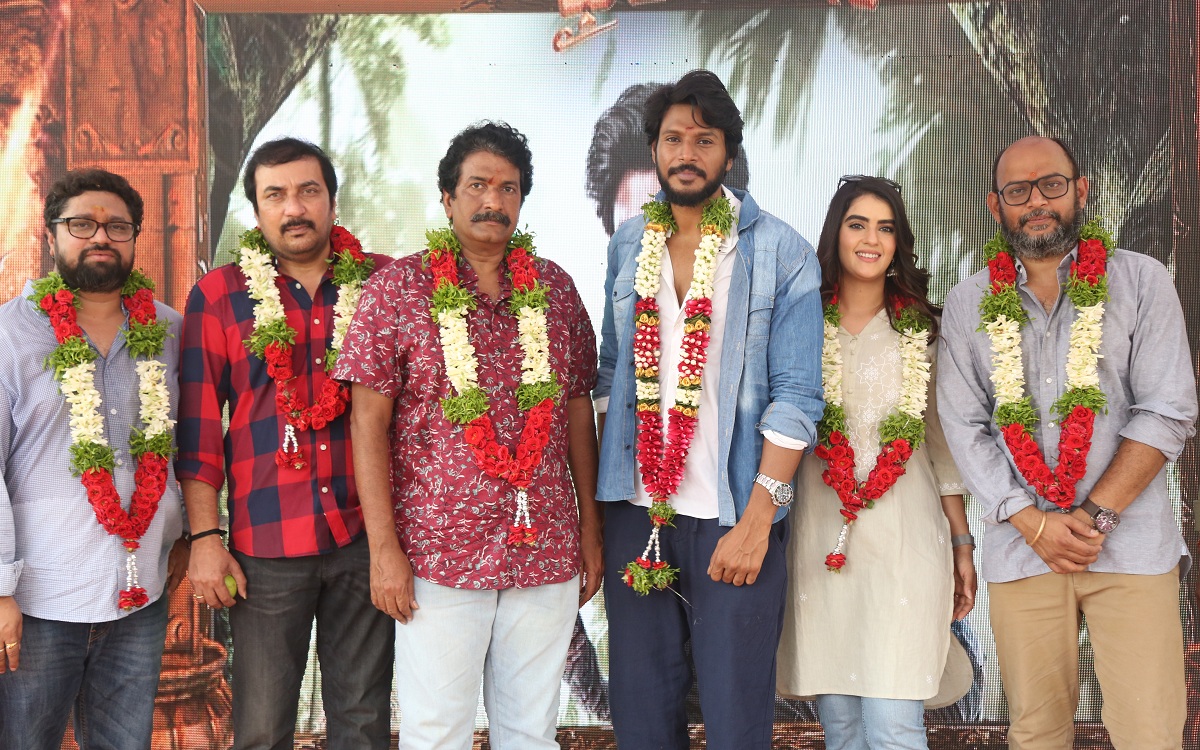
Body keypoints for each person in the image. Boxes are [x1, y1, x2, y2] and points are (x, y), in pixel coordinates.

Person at [333, 121, 601, 750]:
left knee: (531, 732)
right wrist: (383, 550)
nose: (493, 201)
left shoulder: (556, 291)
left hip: (544, 548)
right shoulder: (397, 291)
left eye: (508, 188)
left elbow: (576, 411)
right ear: (448, 198)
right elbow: (367, 425)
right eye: (478, 185)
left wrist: (589, 529)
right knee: (436, 732)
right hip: (438, 554)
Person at [938, 135, 1196, 748]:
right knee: (1035, 734)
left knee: (1149, 732)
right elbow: (964, 427)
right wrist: (1032, 523)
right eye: (1018, 190)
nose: (1037, 202)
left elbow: (1167, 412)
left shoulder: (1142, 281)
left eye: (1051, 184)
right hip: (1021, 553)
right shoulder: (968, 303)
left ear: (1080, 191)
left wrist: (1091, 519)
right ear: (995, 205)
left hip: (1130, 548)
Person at [594, 69, 824, 748]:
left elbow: (797, 398)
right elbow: (612, 371)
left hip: (734, 517)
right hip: (637, 514)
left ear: (728, 154)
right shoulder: (628, 243)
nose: (687, 153)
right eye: (673, 139)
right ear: (655, 150)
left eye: (704, 139)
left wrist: (758, 521)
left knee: (735, 723)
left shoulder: (781, 251)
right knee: (641, 723)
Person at [177, 138, 394, 749]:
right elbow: (198, 430)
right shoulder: (219, 295)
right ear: (257, 210)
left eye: (308, 191)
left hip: (366, 538)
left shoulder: (383, 283)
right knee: (263, 728)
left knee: (363, 722)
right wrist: (205, 539)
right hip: (265, 548)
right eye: (275, 195)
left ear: (332, 201)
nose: (293, 208)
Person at [775, 175, 975, 749]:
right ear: (835, 234)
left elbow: (941, 447)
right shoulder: (799, 323)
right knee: (841, 728)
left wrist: (962, 544)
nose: (871, 239)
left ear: (898, 242)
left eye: (885, 228)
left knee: (893, 727)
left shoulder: (924, 330)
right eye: (857, 224)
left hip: (907, 542)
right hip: (819, 544)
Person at [0, 168, 187, 749]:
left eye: (117, 226)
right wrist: (0, 590)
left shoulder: (169, 330)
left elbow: (184, 445)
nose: (101, 237)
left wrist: (183, 532)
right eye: (82, 224)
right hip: (38, 602)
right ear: (50, 234)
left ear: (134, 238)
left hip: (139, 596)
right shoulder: (9, 335)